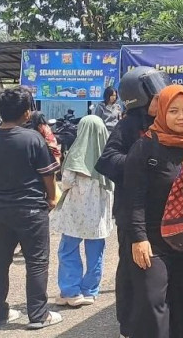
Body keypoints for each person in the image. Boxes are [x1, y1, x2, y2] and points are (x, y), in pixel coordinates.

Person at [95, 66, 171, 338]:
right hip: (133, 216)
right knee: (132, 273)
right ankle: (129, 327)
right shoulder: (129, 126)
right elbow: (106, 161)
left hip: (167, 216)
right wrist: (142, 163)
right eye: (156, 99)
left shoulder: (171, 121)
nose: (162, 103)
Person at [122, 84, 183, 338]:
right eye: (174, 110)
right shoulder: (145, 147)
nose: (181, 117)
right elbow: (132, 199)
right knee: (154, 305)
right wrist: (139, 239)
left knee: (182, 304)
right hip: (153, 241)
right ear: (162, 111)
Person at [0, 87, 63, 329]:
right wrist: (52, 198)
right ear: (26, 113)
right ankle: (38, 315)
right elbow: (48, 175)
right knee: (36, 262)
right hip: (31, 209)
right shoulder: (32, 138)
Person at [51, 115, 113, 307]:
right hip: (99, 216)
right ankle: (90, 291)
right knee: (95, 252)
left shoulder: (77, 154)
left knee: (68, 250)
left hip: (75, 214)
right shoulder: (109, 155)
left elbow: (67, 181)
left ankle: (71, 291)